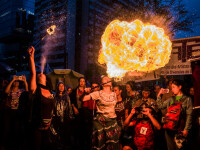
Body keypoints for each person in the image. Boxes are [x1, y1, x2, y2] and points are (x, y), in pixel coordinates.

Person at [28, 46, 55, 150]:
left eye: (42, 74)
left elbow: (51, 109)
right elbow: (33, 73)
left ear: (46, 80)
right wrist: (31, 56)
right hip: (37, 127)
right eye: (39, 74)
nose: (40, 73)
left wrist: (50, 122)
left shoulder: (50, 91)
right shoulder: (35, 89)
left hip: (48, 126)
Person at [83, 76, 120, 150]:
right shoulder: (98, 93)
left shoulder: (114, 94)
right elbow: (84, 99)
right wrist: (85, 92)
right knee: (100, 145)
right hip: (101, 122)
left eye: (108, 79)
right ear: (102, 84)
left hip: (112, 122)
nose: (108, 79)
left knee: (113, 145)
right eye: (105, 79)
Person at [157, 79, 193, 150]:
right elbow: (160, 106)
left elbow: (189, 115)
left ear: (180, 87)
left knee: (180, 148)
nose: (172, 89)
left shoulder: (187, 99)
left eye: (173, 87)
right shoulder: (171, 99)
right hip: (169, 128)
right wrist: (159, 94)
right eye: (171, 87)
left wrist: (186, 129)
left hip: (180, 129)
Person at [3, 75, 28, 149]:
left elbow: (27, 91)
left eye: (17, 81)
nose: (16, 82)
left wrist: (25, 81)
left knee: (16, 128)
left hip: (18, 111)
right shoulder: (10, 90)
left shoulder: (21, 91)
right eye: (15, 81)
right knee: (7, 128)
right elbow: (6, 91)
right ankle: (5, 144)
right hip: (9, 111)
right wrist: (12, 80)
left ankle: (16, 145)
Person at [51, 81, 74, 149]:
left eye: (62, 86)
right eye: (60, 86)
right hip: (57, 117)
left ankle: (65, 145)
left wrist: (70, 116)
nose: (61, 87)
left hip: (65, 117)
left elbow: (69, 107)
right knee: (57, 132)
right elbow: (52, 106)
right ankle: (58, 144)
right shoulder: (55, 96)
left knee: (66, 132)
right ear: (57, 87)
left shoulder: (66, 96)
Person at [69, 77, 86, 149]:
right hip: (76, 111)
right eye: (80, 81)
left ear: (85, 83)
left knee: (83, 129)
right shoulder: (74, 91)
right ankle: (76, 145)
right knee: (76, 128)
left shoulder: (86, 91)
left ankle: (83, 145)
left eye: (83, 81)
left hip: (84, 112)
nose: (82, 82)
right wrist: (74, 108)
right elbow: (71, 100)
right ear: (78, 82)